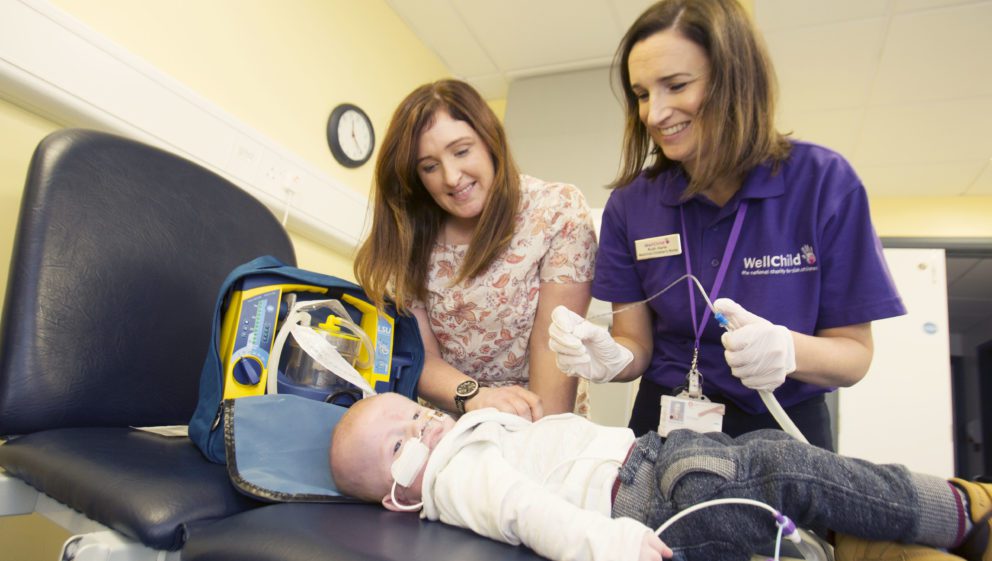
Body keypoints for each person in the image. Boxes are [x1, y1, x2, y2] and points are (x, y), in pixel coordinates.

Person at [548, 0, 905, 448]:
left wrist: (789, 351)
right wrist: (609, 359)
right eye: (641, 94)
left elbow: (854, 356)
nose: (654, 114)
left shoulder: (824, 184)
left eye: (676, 86)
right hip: (667, 419)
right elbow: (634, 346)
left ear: (734, 79)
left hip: (783, 421)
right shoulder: (632, 205)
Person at [329, 392, 992, 561]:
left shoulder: (466, 435)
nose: (421, 428)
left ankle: (901, 533)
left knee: (773, 467)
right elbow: (526, 509)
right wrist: (610, 545)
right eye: (398, 441)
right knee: (785, 468)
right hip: (641, 501)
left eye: (414, 413)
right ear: (395, 495)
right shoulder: (454, 475)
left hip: (653, 458)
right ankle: (957, 509)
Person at [354, 79, 597, 420]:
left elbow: (552, 347)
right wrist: (476, 398)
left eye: (461, 151)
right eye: (429, 166)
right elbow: (421, 356)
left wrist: (540, 444)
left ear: (489, 140)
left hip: (541, 418)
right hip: (455, 417)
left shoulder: (556, 211)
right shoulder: (412, 236)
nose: (451, 177)